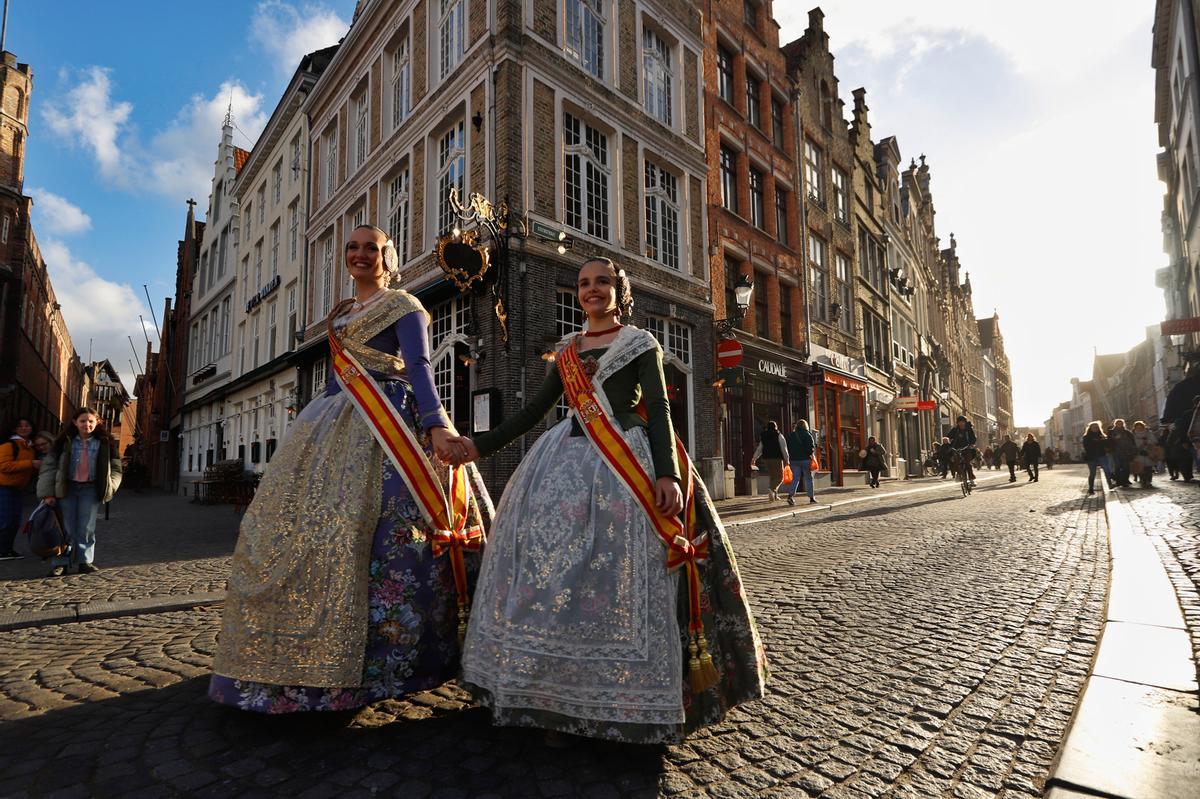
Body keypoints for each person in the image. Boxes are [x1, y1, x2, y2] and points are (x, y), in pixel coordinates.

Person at [452, 257, 767, 744]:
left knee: (624, 568)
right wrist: (478, 446)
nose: (592, 290)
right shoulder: (568, 351)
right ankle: (548, 690)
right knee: (551, 570)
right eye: (583, 284)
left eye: (602, 282)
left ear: (620, 292)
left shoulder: (641, 343)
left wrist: (667, 474)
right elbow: (536, 410)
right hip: (563, 460)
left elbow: (659, 410)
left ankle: (631, 697)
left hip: (629, 461)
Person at [208, 225, 492, 714]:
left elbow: (421, 366)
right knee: (299, 532)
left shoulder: (405, 306)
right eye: (353, 248)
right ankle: (294, 657)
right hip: (328, 423)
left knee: (381, 536)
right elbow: (337, 376)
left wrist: (437, 426)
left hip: (388, 429)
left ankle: (386, 664)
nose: (361, 255)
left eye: (372, 248)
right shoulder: (338, 317)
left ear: (388, 256)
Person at [37, 408, 122, 576]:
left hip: (90, 490)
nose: (87, 424)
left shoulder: (105, 443)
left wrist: (110, 486)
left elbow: (117, 468)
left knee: (86, 527)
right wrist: (47, 493)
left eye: (91, 421)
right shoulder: (64, 442)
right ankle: (61, 563)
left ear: (97, 422)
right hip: (67, 488)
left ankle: (84, 561)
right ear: (75, 422)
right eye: (83, 421)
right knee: (64, 527)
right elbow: (49, 468)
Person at [0, 417, 39, 560]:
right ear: (14, 428)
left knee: (15, 520)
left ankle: (7, 549)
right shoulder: (9, 445)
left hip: (17, 488)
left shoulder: (29, 446)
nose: (24, 428)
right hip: (3, 487)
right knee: (5, 520)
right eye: (20, 426)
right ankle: (2, 550)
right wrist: (31, 463)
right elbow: (4, 466)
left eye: (27, 425)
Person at [1161, 361, 1200, 482]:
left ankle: (1187, 473)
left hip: (1184, 431)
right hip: (1187, 433)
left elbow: (1170, 407)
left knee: (1184, 454)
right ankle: (1187, 473)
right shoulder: (1180, 389)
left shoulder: (1180, 388)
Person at [752, 421, 789, 502]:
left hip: (766, 459)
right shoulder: (779, 435)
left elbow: (760, 449)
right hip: (776, 458)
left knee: (773, 476)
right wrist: (787, 459)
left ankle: (774, 496)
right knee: (780, 477)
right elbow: (784, 448)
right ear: (776, 427)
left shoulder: (764, 436)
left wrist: (754, 458)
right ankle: (771, 489)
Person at [783, 419, 817, 505]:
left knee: (795, 479)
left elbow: (787, 447)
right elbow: (811, 448)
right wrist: (810, 454)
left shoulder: (791, 435)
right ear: (806, 426)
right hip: (806, 459)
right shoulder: (808, 435)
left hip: (794, 460)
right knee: (808, 478)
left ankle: (790, 496)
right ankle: (811, 497)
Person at [1106, 418, 1136, 488]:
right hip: (1116, 452)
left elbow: (1132, 441)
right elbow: (1108, 441)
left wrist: (1132, 450)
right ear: (1115, 424)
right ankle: (1119, 481)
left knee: (1126, 466)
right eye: (1118, 423)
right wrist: (1114, 439)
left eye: (1121, 423)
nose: (1119, 425)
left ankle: (1125, 480)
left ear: (1123, 424)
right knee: (1118, 466)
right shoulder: (1111, 432)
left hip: (1126, 452)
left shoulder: (1127, 432)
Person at [949, 416, 978, 486]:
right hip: (957, 448)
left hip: (967, 447)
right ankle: (959, 474)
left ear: (965, 422)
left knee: (968, 464)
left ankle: (972, 479)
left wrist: (972, 444)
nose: (961, 423)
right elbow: (949, 436)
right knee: (956, 462)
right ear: (958, 423)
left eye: (962, 422)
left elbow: (973, 438)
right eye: (959, 422)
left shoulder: (969, 429)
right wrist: (949, 441)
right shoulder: (955, 429)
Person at [1082, 422, 1108, 495]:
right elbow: (1086, 446)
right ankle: (1091, 488)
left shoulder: (1102, 436)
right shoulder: (1086, 437)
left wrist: (1103, 440)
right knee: (1092, 473)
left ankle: (1110, 484)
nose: (1095, 428)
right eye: (1093, 427)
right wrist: (1096, 442)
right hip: (1091, 457)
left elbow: (1106, 445)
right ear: (1090, 428)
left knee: (1107, 470)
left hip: (1102, 455)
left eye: (1097, 427)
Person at [1130, 421, 1156, 488]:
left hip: (1148, 452)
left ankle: (1149, 481)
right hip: (1138, 453)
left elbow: (1154, 441)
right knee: (1140, 468)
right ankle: (1143, 480)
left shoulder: (1149, 433)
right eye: (1137, 427)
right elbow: (1131, 444)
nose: (1139, 429)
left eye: (1141, 427)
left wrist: (1147, 442)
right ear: (1135, 428)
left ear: (1143, 427)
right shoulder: (1132, 434)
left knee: (1148, 468)